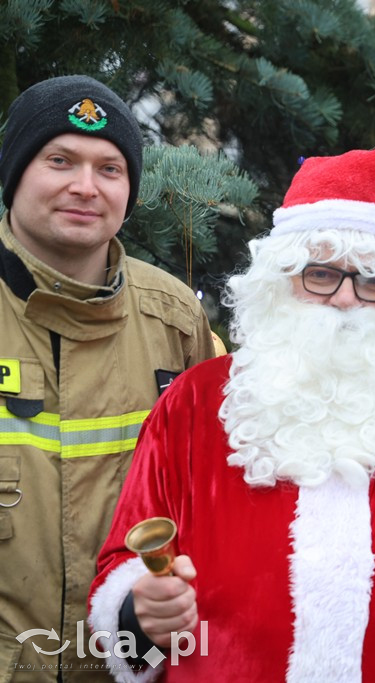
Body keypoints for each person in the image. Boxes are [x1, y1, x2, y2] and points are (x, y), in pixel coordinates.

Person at [88, 147, 375, 681]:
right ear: (280, 281)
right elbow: (128, 592)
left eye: (372, 279)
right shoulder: (195, 404)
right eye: (320, 275)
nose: (344, 299)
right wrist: (139, 619)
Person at [0, 75, 215, 679]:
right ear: (16, 173)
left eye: (110, 168)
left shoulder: (175, 320)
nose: (85, 187)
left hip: (133, 666)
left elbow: (205, 504)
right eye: (60, 160)